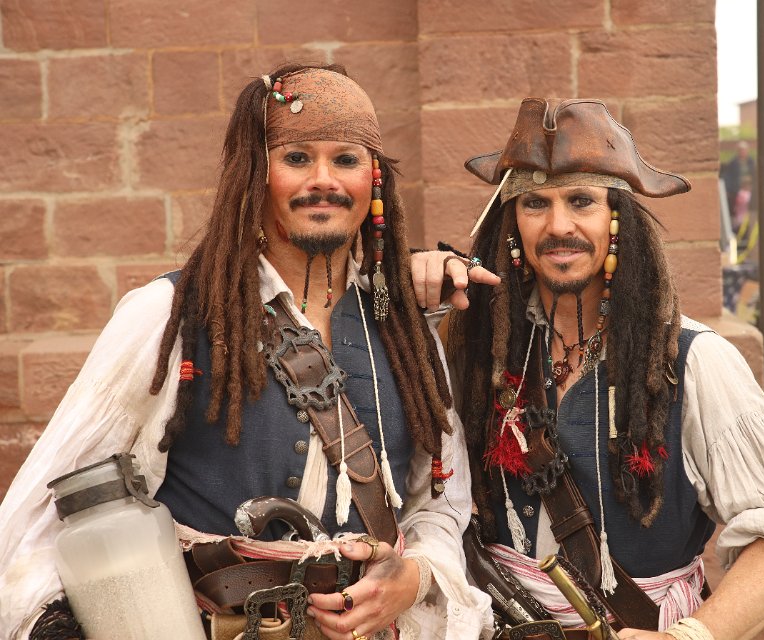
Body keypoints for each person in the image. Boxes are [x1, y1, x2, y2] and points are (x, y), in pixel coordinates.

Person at [0, 64, 490, 640]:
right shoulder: (167, 315)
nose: (324, 180)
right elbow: (43, 512)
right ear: (256, 175)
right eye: (297, 158)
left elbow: (440, 504)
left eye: (346, 160)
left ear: (373, 181)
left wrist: (414, 577)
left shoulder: (405, 333)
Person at [412, 98, 764, 640]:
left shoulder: (693, 359)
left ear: (618, 219)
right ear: (512, 222)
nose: (558, 225)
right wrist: (408, 290)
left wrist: (688, 638)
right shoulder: (476, 347)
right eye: (535, 203)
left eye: (581, 201)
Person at [719, 141, 755, 218]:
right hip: (737, 188)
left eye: (744, 150)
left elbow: (754, 174)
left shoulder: (751, 162)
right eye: (741, 150)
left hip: (750, 188)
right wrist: (727, 189)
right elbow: (727, 176)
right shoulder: (733, 163)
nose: (743, 152)